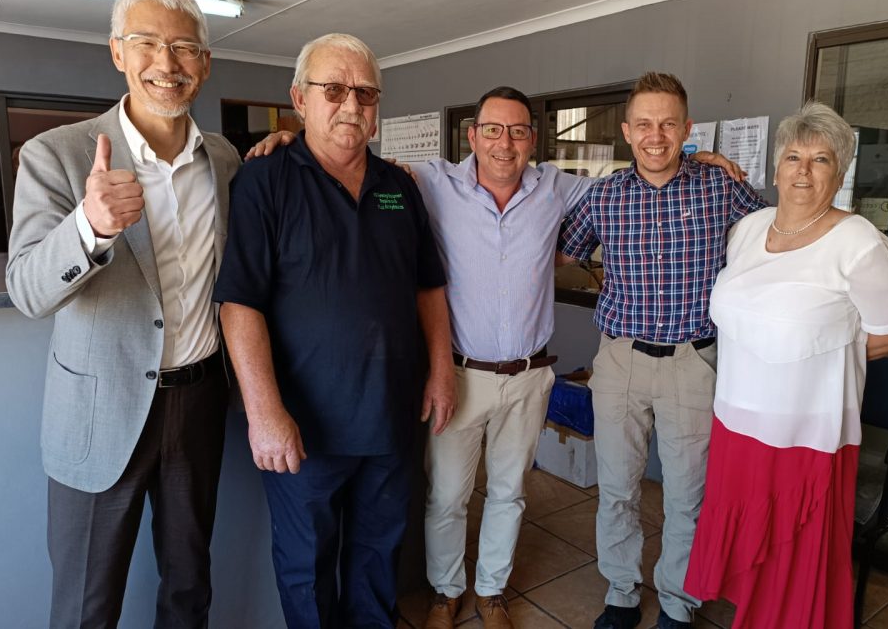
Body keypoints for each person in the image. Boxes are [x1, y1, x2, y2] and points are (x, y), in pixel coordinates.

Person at [247, 86, 742, 629]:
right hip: (459, 374)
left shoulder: (562, 187)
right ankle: (445, 593)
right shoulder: (430, 181)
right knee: (447, 497)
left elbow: (648, 170)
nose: (504, 143)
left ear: (533, 138)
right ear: (472, 136)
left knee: (509, 494)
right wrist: (293, 139)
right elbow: (352, 153)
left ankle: (491, 591)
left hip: (530, 375)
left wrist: (701, 158)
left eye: (518, 131)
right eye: (492, 130)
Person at [5, 0, 239, 626]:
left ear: (204, 63)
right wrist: (89, 227)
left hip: (199, 402)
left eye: (184, 47)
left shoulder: (224, 160)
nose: (167, 62)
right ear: (117, 52)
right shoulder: (57, 154)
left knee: (189, 588)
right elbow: (26, 290)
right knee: (86, 604)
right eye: (146, 43)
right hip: (98, 411)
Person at [213, 33, 455, 628]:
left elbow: (428, 287)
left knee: (378, 560)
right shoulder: (264, 181)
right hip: (305, 428)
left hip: (391, 419)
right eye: (335, 90)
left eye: (366, 93)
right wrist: (264, 412)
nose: (352, 104)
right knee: (307, 568)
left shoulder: (400, 187)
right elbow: (239, 303)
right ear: (300, 98)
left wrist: (442, 370)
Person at [683, 102, 888, 628]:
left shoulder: (859, 242)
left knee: (794, 562)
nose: (804, 171)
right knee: (753, 558)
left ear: (840, 172)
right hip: (737, 421)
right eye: (793, 157)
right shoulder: (747, 229)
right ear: (776, 168)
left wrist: (821, 353)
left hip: (806, 433)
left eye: (821, 159)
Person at [558, 72, 767, 629]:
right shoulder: (603, 195)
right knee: (617, 489)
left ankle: (678, 602)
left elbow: (781, 236)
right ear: (627, 131)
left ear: (686, 129)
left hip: (692, 362)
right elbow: (560, 251)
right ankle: (621, 593)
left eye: (668, 124)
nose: (656, 136)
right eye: (645, 124)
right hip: (620, 359)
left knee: (687, 496)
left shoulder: (720, 186)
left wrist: (864, 247)